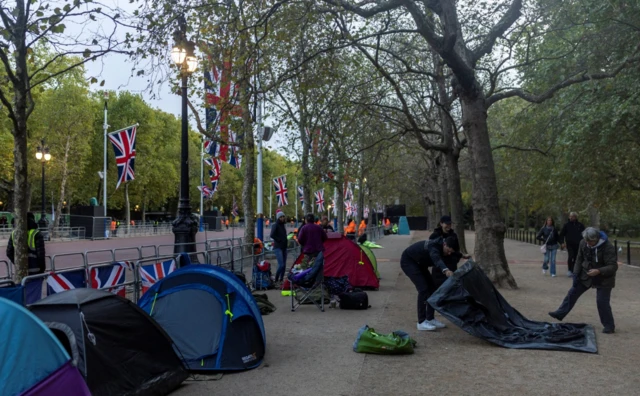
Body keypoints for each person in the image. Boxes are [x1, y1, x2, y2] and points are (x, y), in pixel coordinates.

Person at [549, 227, 618, 334]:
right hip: (586, 273)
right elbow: (579, 258)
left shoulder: (608, 247)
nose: (588, 243)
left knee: (602, 301)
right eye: (586, 241)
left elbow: (613, 266)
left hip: (604, 277)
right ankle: (560, 313)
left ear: (596, 239)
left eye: (590, 241)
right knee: (573, 292)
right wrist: (575, 274)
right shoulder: (583, 242)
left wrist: (599, 271)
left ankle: (609, 325)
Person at [400, 235, 462, 331]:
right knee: (423, 289)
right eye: (448, 250)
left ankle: (430, 318)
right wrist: (445, 270)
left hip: (420, 264)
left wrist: (463, 256)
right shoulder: (434, 246)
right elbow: (436, 258)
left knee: (432, 289)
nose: (449, 253)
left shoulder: (445, 247)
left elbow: (454, 255)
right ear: (444, 244)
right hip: (409, 262)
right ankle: (421, 322)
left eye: (451, 252)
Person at [560, 212, 585, 277]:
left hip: (578, 244)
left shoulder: (580, 225)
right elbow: (562, 234)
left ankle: (575, 270)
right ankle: (570, 270)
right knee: (571, 256)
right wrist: (562, 242)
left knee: (577, 257)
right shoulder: (566, 225)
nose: (571, 217)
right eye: (570, 216)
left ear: (575, 217)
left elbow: (584, 234)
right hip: (569, 244)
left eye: (573, 216)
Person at [270, 210, 288, 284]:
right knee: (281, 264)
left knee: (284, 264)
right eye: (281, 217)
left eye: (283, 216)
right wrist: (279, 240)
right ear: (278, 218)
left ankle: (281, 279)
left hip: (284, 246)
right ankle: (277, 278)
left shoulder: (283, 225)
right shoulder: (276, 225)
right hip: (278, 247)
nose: (282, 218)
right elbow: (272, 234)